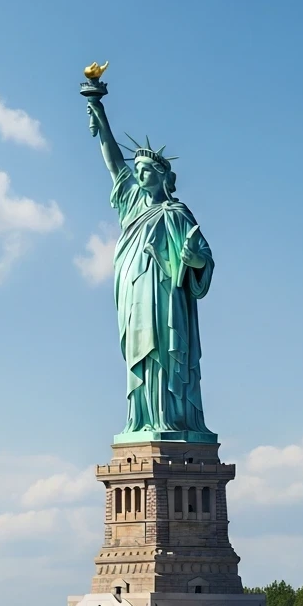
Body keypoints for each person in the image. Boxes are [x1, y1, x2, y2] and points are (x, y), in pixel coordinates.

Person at [87, 96, 215, 437]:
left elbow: (204, 258)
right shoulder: (130, 202)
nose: (139, 175)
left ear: (161, 176)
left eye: (146, 170)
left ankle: (170, 419)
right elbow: (114, 163)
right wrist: (100, 116)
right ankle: (142, 418)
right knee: (140, 353)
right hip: (134, 290)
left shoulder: (177, 214)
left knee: (165, 351)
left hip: (166, 295)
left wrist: (193, 260)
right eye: (138, 170)